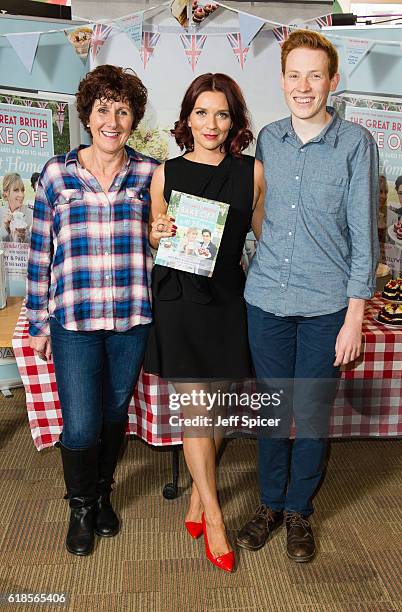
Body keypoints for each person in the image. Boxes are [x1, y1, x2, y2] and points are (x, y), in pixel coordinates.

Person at [237, 30, 379, 562]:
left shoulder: (356, 143)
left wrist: (354, 316)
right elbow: (257, 217)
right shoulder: (268, 140)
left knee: (313, 414)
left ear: (332, 81)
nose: (303, 85)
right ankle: (270, 504)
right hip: (266, 300)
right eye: (293, 74)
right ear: (281, 81)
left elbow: (365, 235)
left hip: (326, 308)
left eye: (314, 75)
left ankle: (299, 509)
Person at [26, 65, 159, 556]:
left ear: (133, 119)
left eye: (122, 110)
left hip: (131, 319)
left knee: (112, 414)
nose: (112, 119)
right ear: (88, 114)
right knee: (80, 423)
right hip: (74, 322)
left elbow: (162, 240)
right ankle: (80, 507)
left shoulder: (149, 173)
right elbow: (41, 251)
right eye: (103, 108)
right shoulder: (57, 173)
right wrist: (39, 323)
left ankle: (102, 495)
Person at [144, 73, 265, 573]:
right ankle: (214, 516)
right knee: (197, 409)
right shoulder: (164, 173)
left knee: (217, 408)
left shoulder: (252, 172)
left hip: (226, 299)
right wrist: (157, 232)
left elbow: (268, 243)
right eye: (201, 112)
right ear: (186, 117)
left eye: (221, 114)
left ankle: (197, 494)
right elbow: (156, 239)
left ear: (234, 120)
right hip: (178, 299)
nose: (211, 124)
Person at [1, 173, 31, 243]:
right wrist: (5, 227)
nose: (21, 195)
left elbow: (34, 245)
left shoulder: (30, 214)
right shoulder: (1, 212)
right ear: (6, 193)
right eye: (16, 190)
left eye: (22, 190)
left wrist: (24, 236)